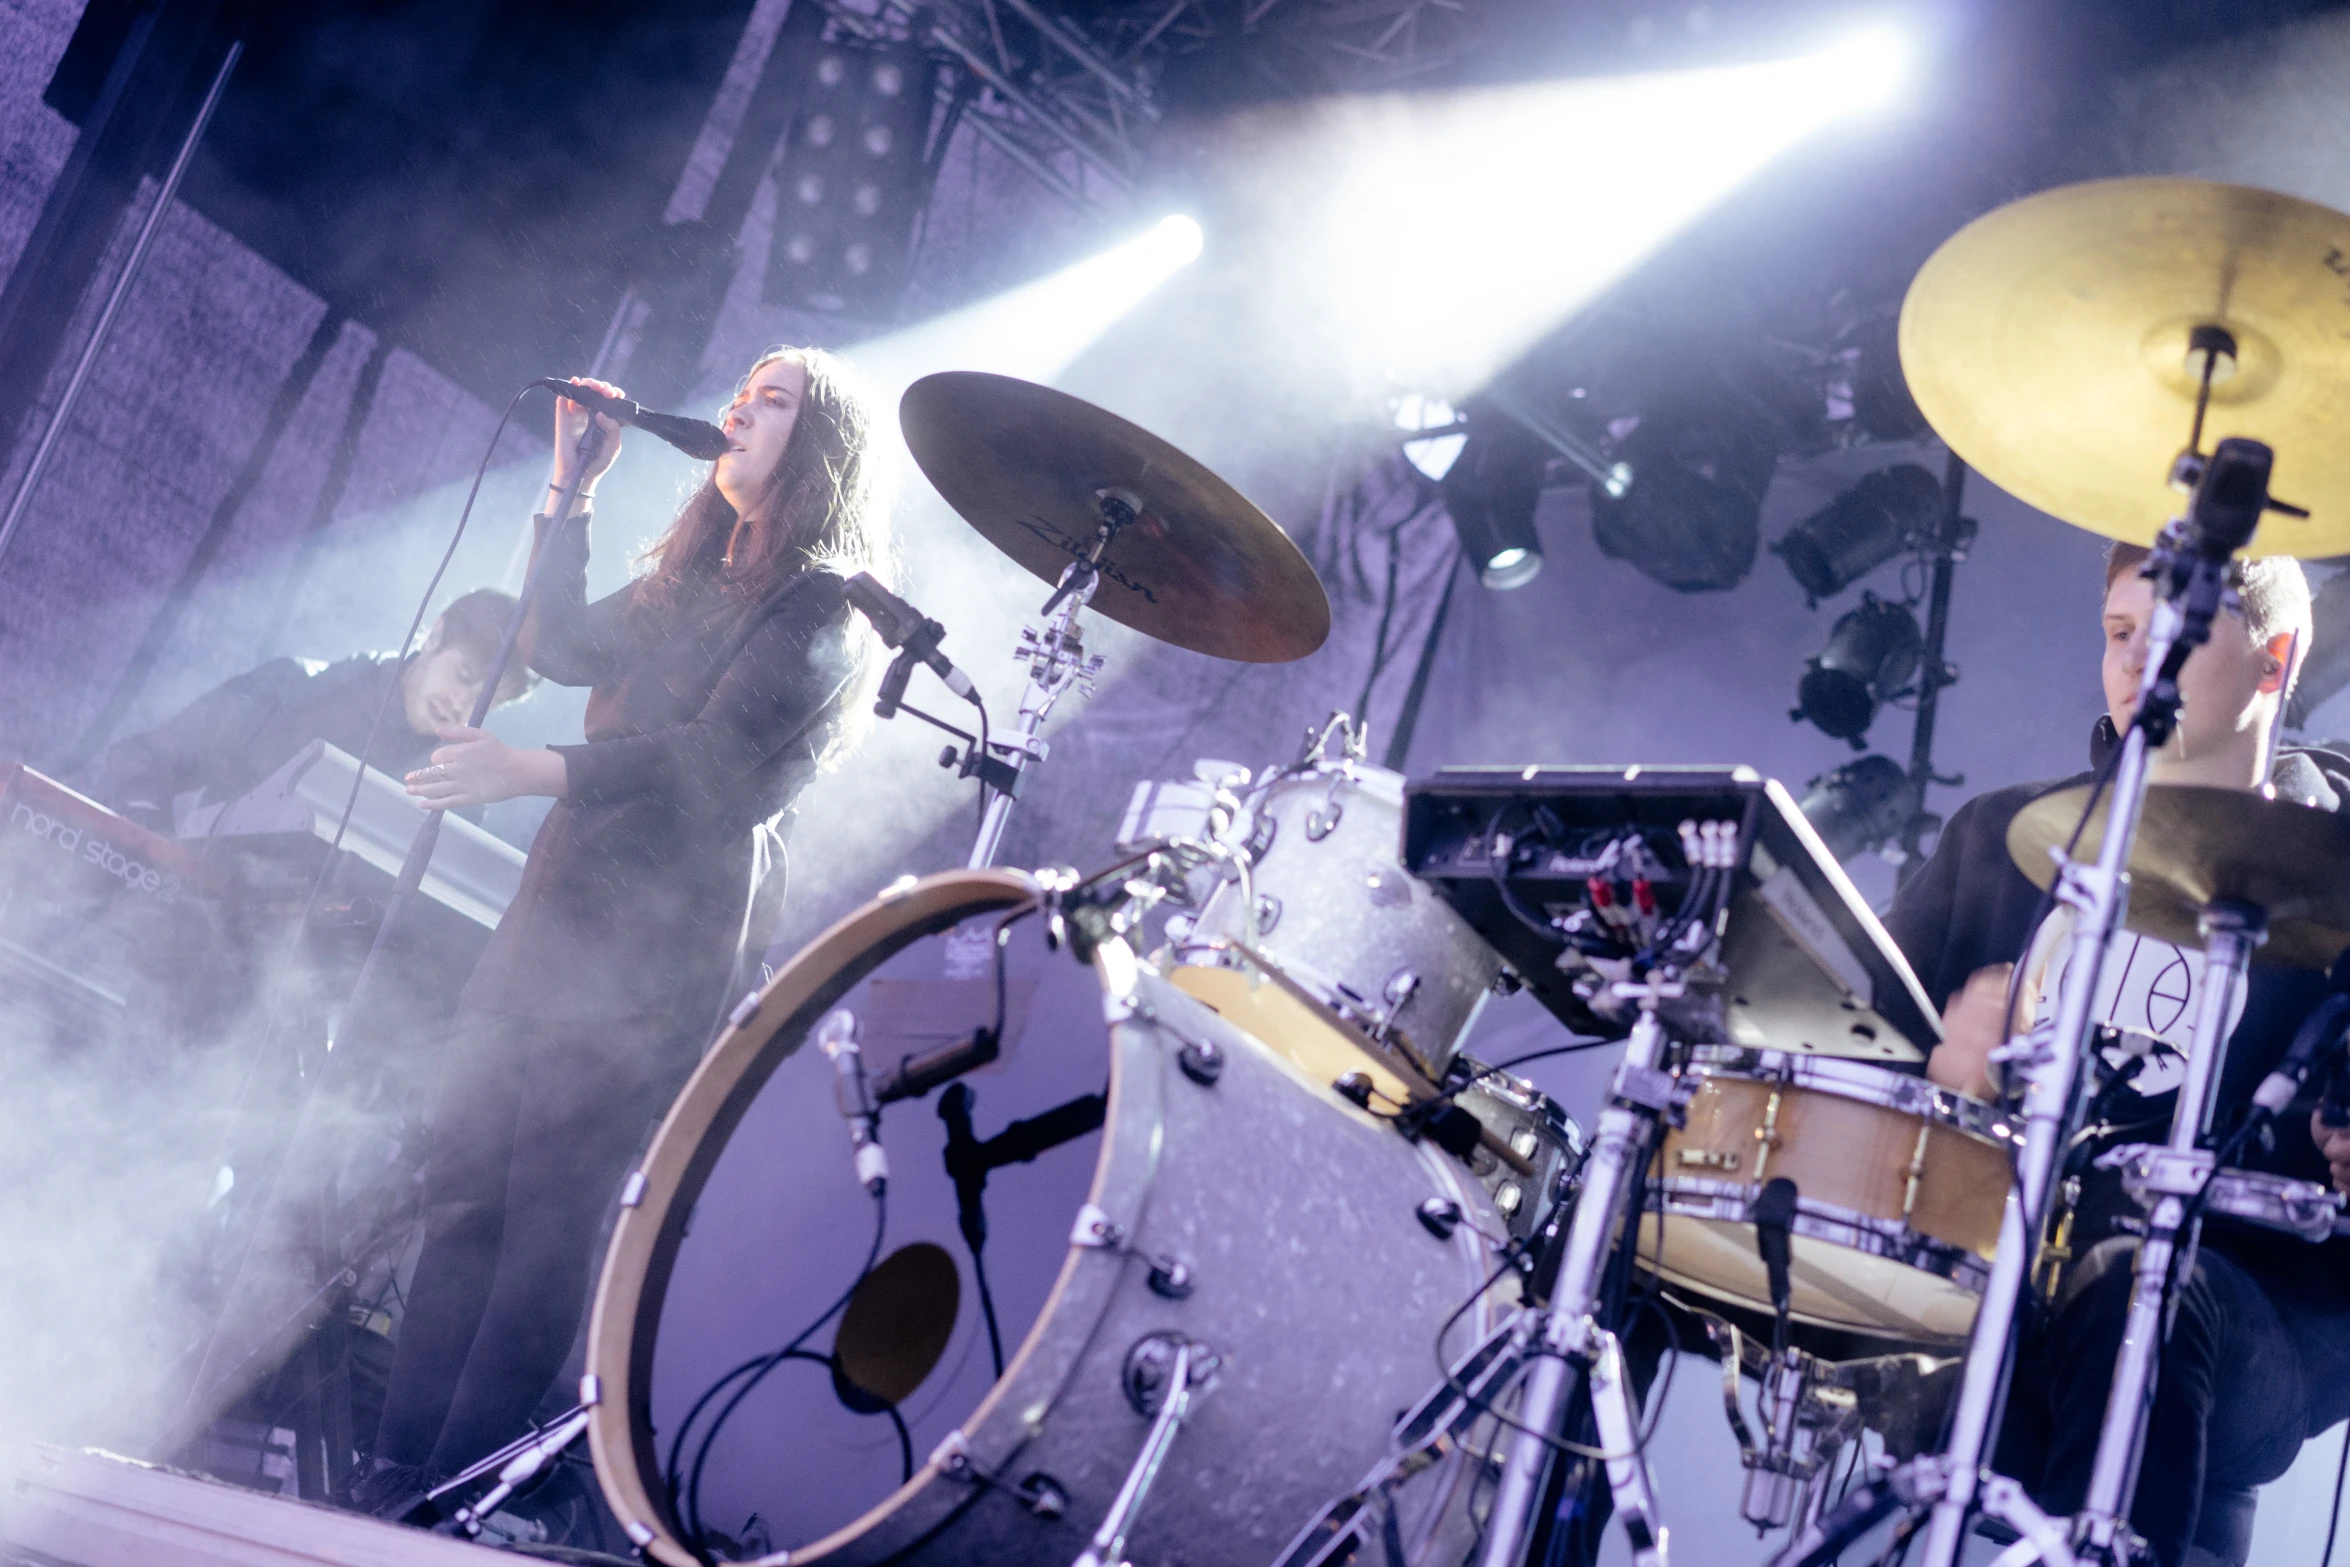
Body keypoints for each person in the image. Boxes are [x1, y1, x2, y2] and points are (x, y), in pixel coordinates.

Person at [353, 347, 885, 1514]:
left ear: (822, 444)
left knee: (542, 1218)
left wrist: (531, 769)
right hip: (554, 912)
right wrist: (572, 492)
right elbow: (552, 647)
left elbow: (709, 768)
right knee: (464, 1197)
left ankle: (448, 1501)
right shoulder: (691, 573)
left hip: (654, 949)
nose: (740, 408)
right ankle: (389, 1479)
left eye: (775, 399)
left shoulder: (825, 603)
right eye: (741, 391)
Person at [1883, 542, 2350, 1567]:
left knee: (2138, 1277)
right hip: (1995, 1263)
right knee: (1633, 1227)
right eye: (2119, 634)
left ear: (2274, 658)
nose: (2138, 662)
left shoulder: (2341, 863)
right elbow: (1842, 1043)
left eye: (2177, 634)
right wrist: (1935, 1085)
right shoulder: (2001, 837)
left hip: (2247, 1315)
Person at [96, 589, 533, 833]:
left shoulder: (453, 799)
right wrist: (156, 861)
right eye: (462, 674)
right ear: (434, 637)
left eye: (483, 702)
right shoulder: (295, 688)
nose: (461, 704)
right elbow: (144, 761)